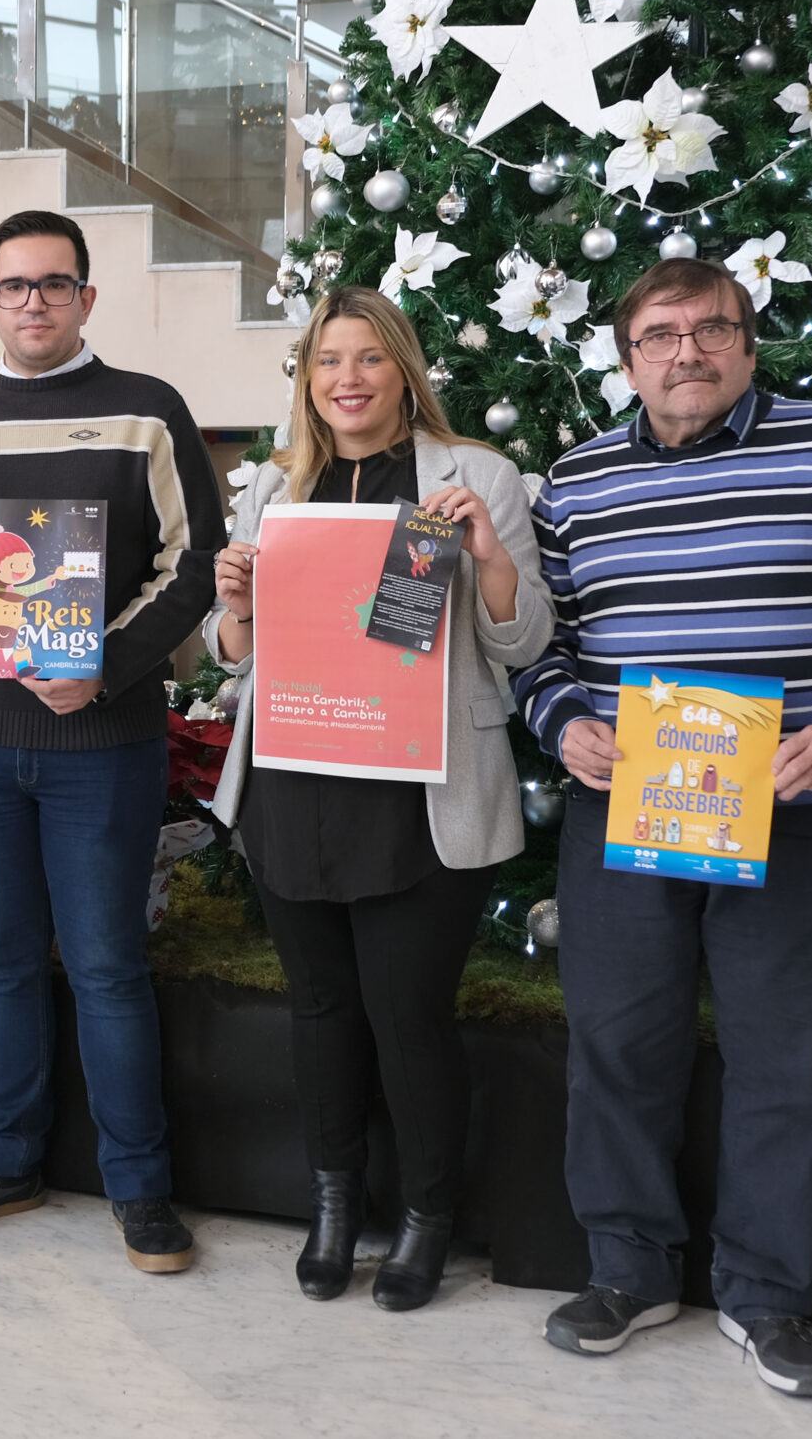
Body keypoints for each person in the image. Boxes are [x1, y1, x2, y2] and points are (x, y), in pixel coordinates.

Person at [514, 258, 812, 1397]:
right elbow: (536, 643)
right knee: (617, 1048)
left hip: (799, 816)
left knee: (787, 1061)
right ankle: (628, 1270)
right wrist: (564, 722)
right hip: (628, 812)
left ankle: (767, 1295)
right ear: (626, 359)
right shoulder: (574, 482)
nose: (687, 352)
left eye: (712, 329)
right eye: (660, 335)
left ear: (748, 343)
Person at [204, 285, 553, 1310]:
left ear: (403, 369)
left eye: (367, 358)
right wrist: (233, 607)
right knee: (319, 1010)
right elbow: (236, 655)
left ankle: (427, 1217)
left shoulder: (474, 477)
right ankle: (334, 1204)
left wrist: (489, 557)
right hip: (295, 782)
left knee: (408, 1017)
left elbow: (522, 643)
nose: (346, 379)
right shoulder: (277, 487)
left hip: (417, 793)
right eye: (327, 360)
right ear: (307, 379)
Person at [0, 209, 221, 1273]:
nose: (34, 302)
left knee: (109, 966)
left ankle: (140, 1187)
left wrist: (108, 666)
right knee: (0, 964)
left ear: (86, 297)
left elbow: (196, 563)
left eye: (55, 283)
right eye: (15, 285)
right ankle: (5, 1164)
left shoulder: (147, 411)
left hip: (103, 747)